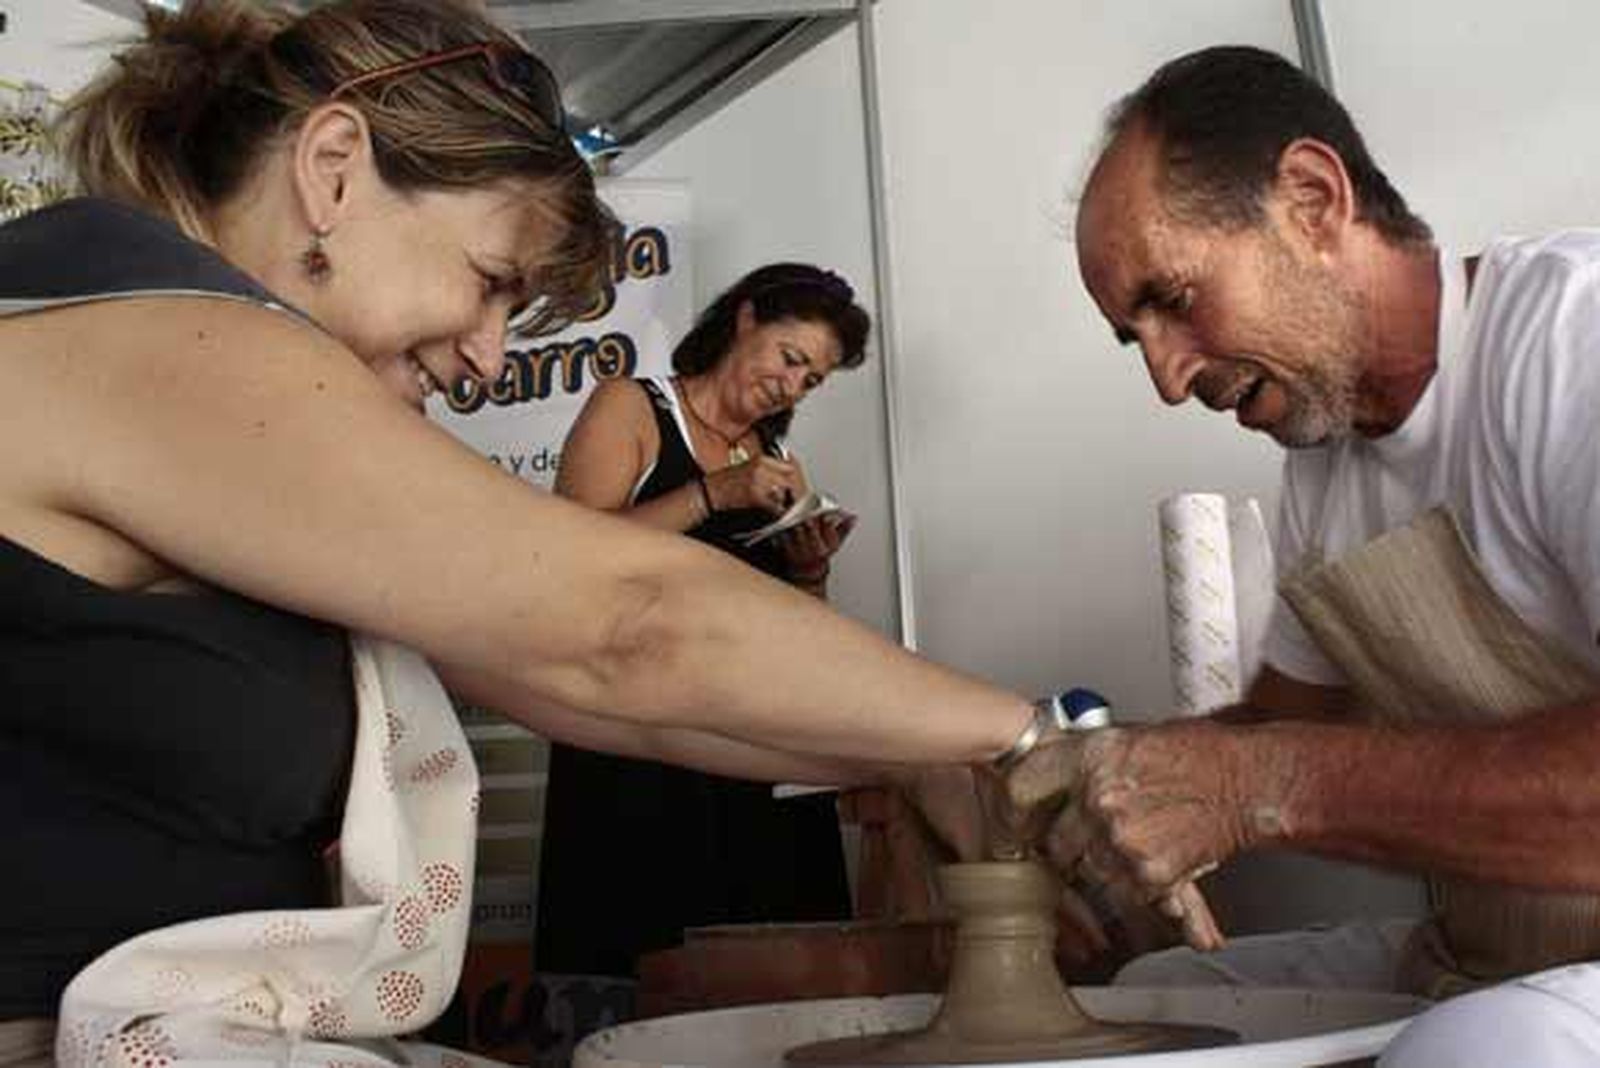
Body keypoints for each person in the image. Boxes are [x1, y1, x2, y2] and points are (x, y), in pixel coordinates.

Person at [0, 1, 1050, 1063]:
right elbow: (619, 627)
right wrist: (1034, 743)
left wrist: (927, 759)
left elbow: (577, 690)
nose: (489, 358)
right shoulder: (141, 327)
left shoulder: (158, 355)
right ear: (332, 170)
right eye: (491, 281)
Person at [1009, 44, 1600, 1067]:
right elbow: (1271, 734)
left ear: (1313, 201)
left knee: (1474, 1053)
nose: (1166, 378)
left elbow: (1265, 767)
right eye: (1134, 337)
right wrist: (1098, 787)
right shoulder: (1325, 466)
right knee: (1151, 1005)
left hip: (1542, 980)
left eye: (1173, 298)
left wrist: (1254, 784)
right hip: (1494, 949)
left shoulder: (1566, 342)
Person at [535, 263, 869, 983]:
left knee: (770, 967)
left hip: (750, 747)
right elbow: (570, 564)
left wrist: (810, 570)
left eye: (811, 380)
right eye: (790, 358)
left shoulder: (779, 462)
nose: (792, 386)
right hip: (638, 739)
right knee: (644, 962)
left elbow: (798, 639)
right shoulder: (631, 407)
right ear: (744, 319)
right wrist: (712, 494)